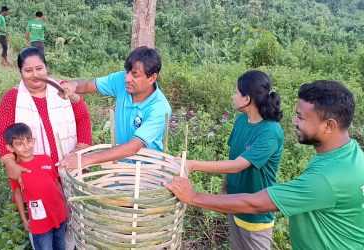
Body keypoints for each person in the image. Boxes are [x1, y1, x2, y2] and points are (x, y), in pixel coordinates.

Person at [166, 80, 364, 250]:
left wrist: (192, 197)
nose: (294, 121)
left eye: (301, 117)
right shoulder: (350, 155)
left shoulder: (325, 178)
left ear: (329, 125)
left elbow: (255, 203)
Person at [183, 70, 283, 250]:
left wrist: (193, 164)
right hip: (235, 206)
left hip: (255, 216)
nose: (233, 96)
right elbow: (233, 158)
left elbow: (238, 165)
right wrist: (225, 190)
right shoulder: (241, 121)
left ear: (247, 99)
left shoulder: (270, 132)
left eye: (237, 92)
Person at [58, 46, 171, 169]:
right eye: (127, 72)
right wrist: (73, 85)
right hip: (120, 165)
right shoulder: (120, 80)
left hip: (148, 172)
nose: (127, 79)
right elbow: (87, 85)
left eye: (135, 75)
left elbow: (133, 147)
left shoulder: (160, 108)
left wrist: (84, 160)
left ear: (152, 78)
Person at [0, 47, 92, 182]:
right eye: (28, 70)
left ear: (46, 68)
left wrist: (79, 151)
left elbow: (83, 118)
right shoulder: (12, 98)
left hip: (69, 166)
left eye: (39, 69)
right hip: (32, 170)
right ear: (20, 72)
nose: (35, 74)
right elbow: (1, 133)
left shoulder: (63, 89)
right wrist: (10, 163)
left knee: (70, 201)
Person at [5, 123, 67, 250]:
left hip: (60, 215)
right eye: (19, 144)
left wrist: (65, 205)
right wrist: (24, 218)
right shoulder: (16, 170)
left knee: (61, 246)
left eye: (29, 141)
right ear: (10, 148)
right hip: (40, 223)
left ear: (34, 140)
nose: (26, 146)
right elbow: (17, 194)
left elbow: (56, 183)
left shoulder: (46, 159)